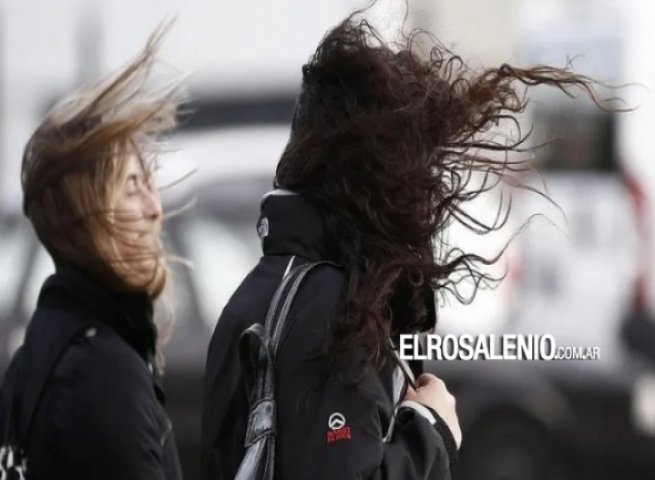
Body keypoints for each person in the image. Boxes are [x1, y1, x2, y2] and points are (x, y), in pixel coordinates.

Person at [202, 7, 606, 480]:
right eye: (413, 167)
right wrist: (429, 428)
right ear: (373, 175)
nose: (426, 191)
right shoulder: (331, 307)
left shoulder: (257, 296)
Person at [0, 26, 184, 480]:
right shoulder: (104, 376)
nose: (154, 208)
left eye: (150, 184)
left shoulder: (37, 356)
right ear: (88, 215)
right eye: (131, 187)